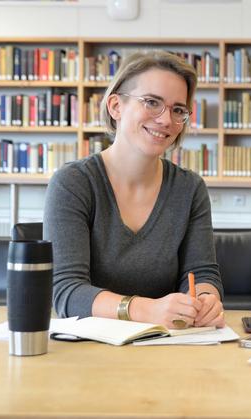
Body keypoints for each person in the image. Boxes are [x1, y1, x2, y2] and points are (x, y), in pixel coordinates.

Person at [44, 51, 224, 329]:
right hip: (87, 348)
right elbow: (67, 291)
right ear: (116, 106)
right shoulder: (73, 183)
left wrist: (205, 299)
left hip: (165, 345)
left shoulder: (190, 188)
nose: (166, 120)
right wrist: (145, 309)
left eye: (178, 110)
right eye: (152, 102)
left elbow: (201, 273)